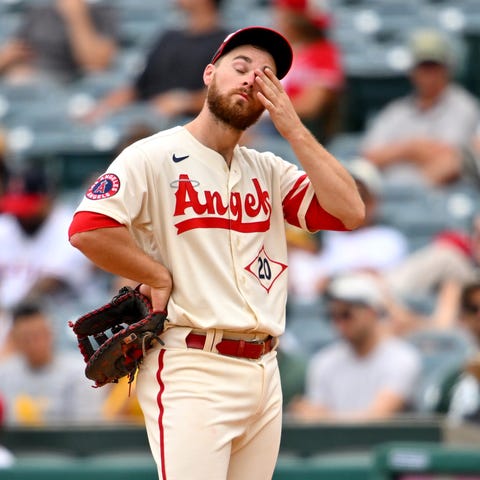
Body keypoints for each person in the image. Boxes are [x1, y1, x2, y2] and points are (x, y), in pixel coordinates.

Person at [68, 26, 365, 479]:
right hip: (192, 364)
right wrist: (156, 274)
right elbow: (88, 228)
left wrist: (293, 128)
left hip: (265, 371)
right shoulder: (153, 155)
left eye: (266, 76)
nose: (250, 79)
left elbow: (349, 212)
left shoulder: (269, 169)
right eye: (240, 67)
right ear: (209, 73)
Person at [289, 273, 421, 421]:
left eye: (347, 315)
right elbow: (314, 420)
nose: (339, 324)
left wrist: (323, 417)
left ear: (371, 312)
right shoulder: (324, 361)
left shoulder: (402, 358)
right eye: (333, 316)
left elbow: (378, 417)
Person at [362, 28, 480, 186]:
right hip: (391, 193)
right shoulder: (397, 111)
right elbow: (369, 157)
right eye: (423, 66)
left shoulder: (464, 106)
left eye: (434, 66)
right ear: (412, 71)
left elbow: (454, 158)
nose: (429, 74)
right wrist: (410, 149)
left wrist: (401, 153)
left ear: (447, 69)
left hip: (444, 196)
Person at [84, 0, 228, 123]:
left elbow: (224, 95)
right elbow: (137, 88)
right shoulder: (168, 37)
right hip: (150, 123)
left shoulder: (227, 43)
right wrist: (103, 109)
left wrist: (183, 101)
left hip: (190, 127)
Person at [0, 164, 99, 312]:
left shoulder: (72, 229)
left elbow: (48, 285)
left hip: (62, 317)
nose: (20, 215)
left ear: (48, 200)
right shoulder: (6, 225)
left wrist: (10, 314)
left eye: (27, 207)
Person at [0, 301, 106, 425]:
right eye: (26, 338)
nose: (34, 344)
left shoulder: (80, 374)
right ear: (15, 339)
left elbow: (86, 429)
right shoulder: (4, 376)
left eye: (38, 335)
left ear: (51, 333)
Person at [271, 0, 344, 144]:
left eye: (285, 14)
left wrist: (265, 109)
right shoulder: (277, 50)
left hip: (296, 130)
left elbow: (312, 105)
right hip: (269, 125)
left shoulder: (324, 52)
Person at [0, 0, 118, 84]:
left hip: (68, 82)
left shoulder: (102, 10)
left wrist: (76, 15)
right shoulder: (39, 9)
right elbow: (16, 50)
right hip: (32, 81)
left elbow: (97, 64)